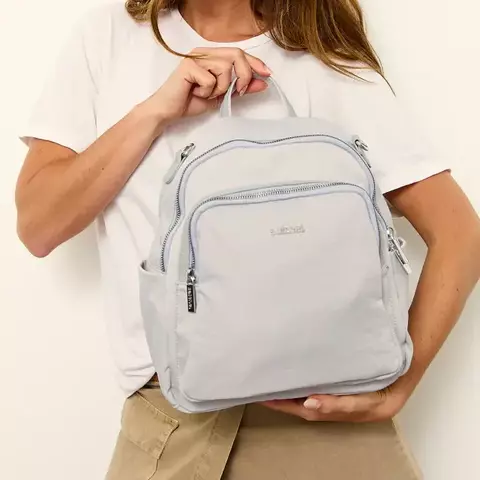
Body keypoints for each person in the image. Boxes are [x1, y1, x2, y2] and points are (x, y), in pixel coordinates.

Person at [15, 0, 480, 479]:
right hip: (172, 423)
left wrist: (400, 385)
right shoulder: (110, 35)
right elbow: (38, 227)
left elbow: (458, 232)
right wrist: (155, 112)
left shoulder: (324, 54)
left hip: (328, 430)